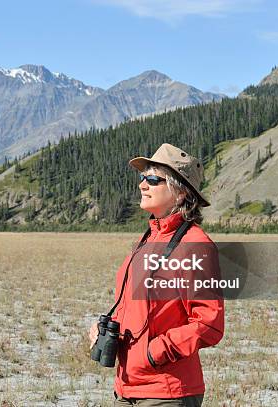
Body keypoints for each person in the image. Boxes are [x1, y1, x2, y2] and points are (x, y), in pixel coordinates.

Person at [89, 143, 224, 406]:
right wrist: (107, 328)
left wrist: (152, 353)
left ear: (181, 192)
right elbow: (136, 306)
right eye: (142, 178)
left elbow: (209, 325)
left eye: (153, 179)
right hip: (127, 388)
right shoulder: (148, 239)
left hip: (167, 392)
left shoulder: (195, 245)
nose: (142, 185)